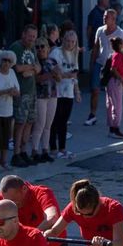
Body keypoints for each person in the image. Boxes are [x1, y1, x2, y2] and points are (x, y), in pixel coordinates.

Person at [9, 25, 40, 169]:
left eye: (34, 36)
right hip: (20, 91)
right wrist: (31, 68)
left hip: (32, 90)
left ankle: (23, 151)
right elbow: (17, 68)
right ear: (24, 35)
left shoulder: (32, 48)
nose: (32, 39)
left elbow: (38, 67)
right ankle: (16, 153)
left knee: (29, 122)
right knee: (20, 122)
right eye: (30, 36)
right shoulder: (16, 47)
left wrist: (31, 68)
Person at [91, 8, 123, 128]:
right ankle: (92, 114)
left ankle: (114, 122)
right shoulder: (100, 30)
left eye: (107, 17)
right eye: (104, 16)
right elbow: (96, 47)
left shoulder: (120, 33)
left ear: (114, 19)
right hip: (100, 63)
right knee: (95, 90)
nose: (104, 18)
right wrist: (92, 63)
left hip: (112, 67)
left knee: (112, 94)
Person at [50, 30, 81, 159]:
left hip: (69, 92)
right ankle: (52, 148)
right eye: (68, 41)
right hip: (57, 91)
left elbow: (75, 74)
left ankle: (62, 148)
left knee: (64, 121)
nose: (70, 44)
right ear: (63, 40)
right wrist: (66, 75)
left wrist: (77, 91)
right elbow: (52, 71)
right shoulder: (56, 53)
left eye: (73, 41)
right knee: (54, 121)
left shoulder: (74, 53)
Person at [32, 32, 58, 165]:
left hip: (52, 95)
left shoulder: (52, 61)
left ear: (48, 48)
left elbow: (59, 76)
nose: (40, 49)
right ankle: (35, 150)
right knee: (40, 124)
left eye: (43, 47)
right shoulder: (35, 62)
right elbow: (37, 79)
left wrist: (56, 74)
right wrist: (50, 74)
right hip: (40, 96)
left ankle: (45, 150)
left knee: (48, 125)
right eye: (37, 47)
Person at [104, 37, 123, 137]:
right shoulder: (118, 55)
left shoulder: (120, 55)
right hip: (116, 82)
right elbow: (114, 69)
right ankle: (115, 128)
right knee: (117, 106)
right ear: (120, 45)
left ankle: (112, 128)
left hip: (115, 82)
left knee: (112, 104)